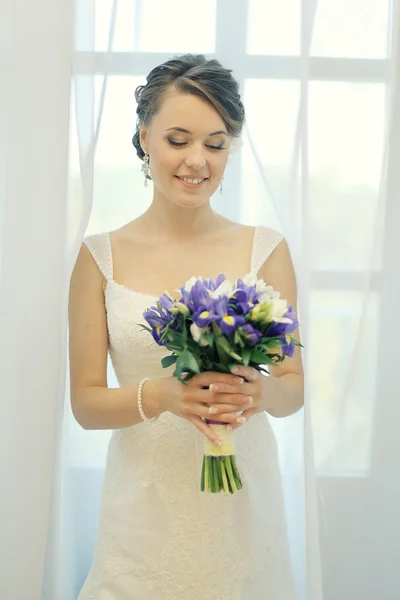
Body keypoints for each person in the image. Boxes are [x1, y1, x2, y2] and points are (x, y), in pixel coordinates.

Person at [69, 53, 304, 600]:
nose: (197, 160)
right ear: (144, 137)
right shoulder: (98, 259)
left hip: (242, 500)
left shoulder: (265, 249)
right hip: (143, 505)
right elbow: (84, 405)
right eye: (178, 139)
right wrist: (167, 395)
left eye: (215, 144)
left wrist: (259, 390)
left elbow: (293, 389)